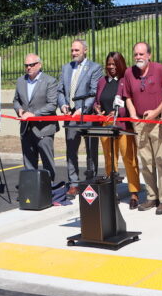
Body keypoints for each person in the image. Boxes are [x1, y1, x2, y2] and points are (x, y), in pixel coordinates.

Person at [123, 42, 162, 215]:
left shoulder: (159, 69)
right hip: (139, 123)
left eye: (141, 54)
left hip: (158, 122)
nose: (138, 57)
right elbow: (128, 96)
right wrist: (133, 116)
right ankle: (152, 196)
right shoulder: (129, 72)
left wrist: (156, 112)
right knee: (145, 162)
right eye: (136, 54)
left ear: (149, 55)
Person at [92, 51, 141, 210]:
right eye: (109, 64)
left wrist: (119, 112)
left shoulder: (125, 80)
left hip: (122, 126)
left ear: (120, 65)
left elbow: (131, 102)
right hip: (106, 125)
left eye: (114, 64)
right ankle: (111, 190)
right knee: (109, 159)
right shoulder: (101, 81)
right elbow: (97, 100)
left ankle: (134, 192)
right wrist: (97, 108)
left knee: (129, 158)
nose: (111, 67)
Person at [57, 39, 103, 197]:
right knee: (71, 150)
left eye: (77, 50)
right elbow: (60, 90)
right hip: (70, 117)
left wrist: (81, 109)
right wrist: (63, 105)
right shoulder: (66, 68)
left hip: (87, 115)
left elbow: (94, 91)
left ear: (85, 50)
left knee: (91, 150)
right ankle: (74, 183)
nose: (74, 53)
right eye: (72, 50)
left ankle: (91, 180)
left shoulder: (95, 68)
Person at [13, 54, 59, 180]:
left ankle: (49, 189)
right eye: (26, 65)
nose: (29, 67)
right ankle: (31, 191)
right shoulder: (20, 81)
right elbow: (16, 101)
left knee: (47, 163)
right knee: (29, 163)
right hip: (26, 129)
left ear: (39, 65)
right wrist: (20, 110)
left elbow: (52, 105)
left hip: (44, 128)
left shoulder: (50, 81)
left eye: (32, 65)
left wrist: (34, 114)